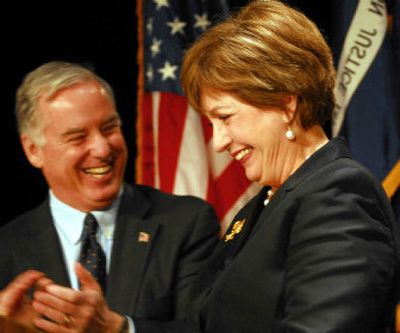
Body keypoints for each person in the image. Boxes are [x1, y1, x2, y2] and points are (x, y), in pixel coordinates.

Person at [3, 1, 399, 332]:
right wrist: (117, 328)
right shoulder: (263, 205)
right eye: (212, 123)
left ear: (284, 102)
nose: (219, 141)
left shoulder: (337, 194)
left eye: (225, 117)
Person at [0, 61, 219, 332]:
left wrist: (119, 329)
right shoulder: (6, 248)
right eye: (78, 137)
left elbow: (207, 328)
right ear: (33, 150)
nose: (103, 149)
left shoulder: (186, 223)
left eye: (109, 128)